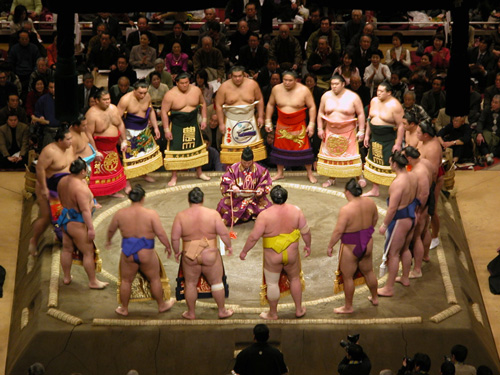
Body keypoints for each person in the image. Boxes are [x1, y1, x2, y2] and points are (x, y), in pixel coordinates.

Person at [240, 185, 311, 319]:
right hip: (291, 254)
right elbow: (306, 231)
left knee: (272, 283)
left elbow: (254, 237)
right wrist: (308, 245)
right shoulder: (296, 211)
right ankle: (299, 310)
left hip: (273, 256)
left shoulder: (264, 215)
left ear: (271, 199)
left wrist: (244, 252)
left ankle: (272, 313)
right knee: (295, 278)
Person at [106, 184, 176, 316]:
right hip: (146, 253)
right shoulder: (151, 214)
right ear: (143, 198)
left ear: (130, 199)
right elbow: (160, 233)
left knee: (126, 281)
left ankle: (124, 309)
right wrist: (167, 246)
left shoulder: (120, 214)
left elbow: (111, 230)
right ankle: (162, 305)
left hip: (128, 252)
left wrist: (108, 240)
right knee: (154, 279)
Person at [171, 187, 234, 320]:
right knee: (216, 282)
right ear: (203, 199)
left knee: (190, 283)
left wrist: (176, 252)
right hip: (209, 253)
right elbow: (223, 233)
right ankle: (222, 311)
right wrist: (229, 246)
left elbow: (175, 238)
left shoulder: (181, 216)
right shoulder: (212, 214)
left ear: (188, 200)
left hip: (190, 254)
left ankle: (191, 313)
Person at [327, 179, 379, 314]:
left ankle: (348, 307)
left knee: (348, 277)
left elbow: (338, 231)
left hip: (351, 246)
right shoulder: (371, 203)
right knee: (369, 271)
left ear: (348, 192)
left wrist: (330, 246)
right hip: (367, 241)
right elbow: (375, 219)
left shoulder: (346, 209)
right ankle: (375, 298)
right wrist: (366, 232)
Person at [57, 158, 108, 289]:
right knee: (88, 252)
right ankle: (93, 281)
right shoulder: (80, 188)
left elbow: (62, 198)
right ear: (83, 171)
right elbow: (85, 211)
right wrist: (90, 229)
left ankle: (67, 277)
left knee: (67, 249)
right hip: (77, 223)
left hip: (65, 219)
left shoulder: (63, 181)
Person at [377, 151, 419, 297]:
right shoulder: (412, 176)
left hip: (400, 220)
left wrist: (384, 225)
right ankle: (405, 278)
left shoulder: (397, 183)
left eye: (390, 163)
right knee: (405, 248)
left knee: (393, 254)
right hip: (412, 216)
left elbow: (392, 208)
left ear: (395, 164)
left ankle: (388, 288)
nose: (390, 165)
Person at [28, 127, 75, 256]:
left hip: (65, 188)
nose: (71, 141)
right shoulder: (49, 151)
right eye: (68, 139)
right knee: (46, 218)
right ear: (60, 140)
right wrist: (44, 188)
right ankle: (34, 240)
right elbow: (40, 169)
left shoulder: (70, 148)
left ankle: (61, 236)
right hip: (49, 188)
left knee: (70, 213)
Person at [265, 71, 317, 183]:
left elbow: (312, 106)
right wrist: (268, 120)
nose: (287, 83)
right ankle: (280, 173)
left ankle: (309, 173)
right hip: (282, 123)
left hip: (298, 124)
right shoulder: (276, 89)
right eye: (285, 80)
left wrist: (311, 124)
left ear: (296, 80)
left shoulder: (304, 90)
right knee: (280, 148)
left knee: (304, 148)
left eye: (290, 80)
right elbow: (270, 104)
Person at [161, 72, 210, 186]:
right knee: (175, 150)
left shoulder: (196, 90)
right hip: (178, 125)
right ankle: (174, 176)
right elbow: (164, 112)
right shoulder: (170, 95)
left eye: (187, 82)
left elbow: (202, 104)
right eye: (182, 83)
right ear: (176, 83)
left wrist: (204, 119)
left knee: (197, 146)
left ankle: (199, 172)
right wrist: (166, 129)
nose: (185, 85)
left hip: (193, 123)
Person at [317, 75, 366, 187]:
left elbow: (361, 113)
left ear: (343, 84)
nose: (333, 86)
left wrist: (362, 130)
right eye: (332, 84)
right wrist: (320, 128)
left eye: (336, 84)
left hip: (348, 131)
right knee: (332, 157)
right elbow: (320, 113)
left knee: (352, 156)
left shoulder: (353, 97)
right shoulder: (326, 96)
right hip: (330, 130)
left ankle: (359, 176)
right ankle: (332, 178)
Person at [117, 80, 163, 193]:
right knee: (129, 157)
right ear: (134, 90)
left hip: (144, 129)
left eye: (144, 92)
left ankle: (144, 173)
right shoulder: (125, 100)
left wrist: (156, 127)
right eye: (140, 93)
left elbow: (150, 111)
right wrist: (122, 138)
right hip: (129, 131)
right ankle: (127, 182)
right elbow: (117, 120)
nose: (142, 95)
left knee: (144, 154)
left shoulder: (147, 97)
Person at [215, 65, 266, 164]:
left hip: (250, 120)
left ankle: (252, 173)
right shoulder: (224, 87)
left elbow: (259, 99)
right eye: (235, 76)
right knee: (231, 151)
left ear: (244, 75)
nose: (237, 79)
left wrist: (260, 116)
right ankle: (233, 174)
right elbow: (218, 105)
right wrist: (221, 123)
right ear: (230, 76)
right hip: (231, 121)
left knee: (252, 150)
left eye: (240, 76)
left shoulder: (252, 84)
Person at [363, 82, 405, 197]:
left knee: (391, 166)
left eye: (382, 91)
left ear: (389, 92)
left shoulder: (395, 105)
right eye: (378, 90)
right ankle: (375, 189)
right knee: (375, 163)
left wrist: (398, 144)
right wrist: (367, 135)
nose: (378, 93)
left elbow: (401, 125)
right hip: (375, 138)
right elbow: (369, 119)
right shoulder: (374, 101)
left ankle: (395, 192)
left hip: (388, 139)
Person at [85, 89, 128, 198]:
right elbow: (88, 134)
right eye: (104, 100)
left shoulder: (113, 109)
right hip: (99, 148)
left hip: (112, 147)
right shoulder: (91, 114)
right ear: (97, 100)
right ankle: (93, 197)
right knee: (97, 174)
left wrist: (123, 140)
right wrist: (95, 151)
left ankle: (113, 191)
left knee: (113, 170)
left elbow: (120, 124)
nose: (107, 101)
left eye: (108, 99)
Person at [216, 146, 272, 226]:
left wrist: (261, 190)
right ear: (241, 159)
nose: (246, 165)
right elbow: (226, 178)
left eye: (249, 163)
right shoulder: (233, 168)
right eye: (244, 162)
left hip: (255, 198)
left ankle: (252, 215)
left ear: (253, 160)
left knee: (268, 209)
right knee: (222, 206)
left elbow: (265, 182)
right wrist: (233, 186)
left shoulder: (260, 170)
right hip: (238, 197)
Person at [402, 146, 433, 279]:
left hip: (421, 204)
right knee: (425, 230)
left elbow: (424, 192)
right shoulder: (425, 162)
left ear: (409, 158)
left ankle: (417, 269)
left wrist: (418, 210)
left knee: (417, 236)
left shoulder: (418, 171)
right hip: (428, 201)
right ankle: (425, 255)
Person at [416, 121, 444, 253]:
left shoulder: (433, 148)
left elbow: (432, 172)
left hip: (432, 181)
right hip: (420, 176)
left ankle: (435, 237)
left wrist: (425, 188)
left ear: (426, 135)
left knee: (432, 210)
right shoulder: (423, 141)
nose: (416, 134)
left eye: (418, 132)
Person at [476, 95, 500, 165]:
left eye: (496, 103)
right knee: (479, 138)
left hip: (498, 135)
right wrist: (479, 133)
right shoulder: (486, 110)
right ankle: (487, 155)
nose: (493, 104)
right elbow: (480, 122)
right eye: (492, 102)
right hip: (487, 134)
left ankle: (490, 155)